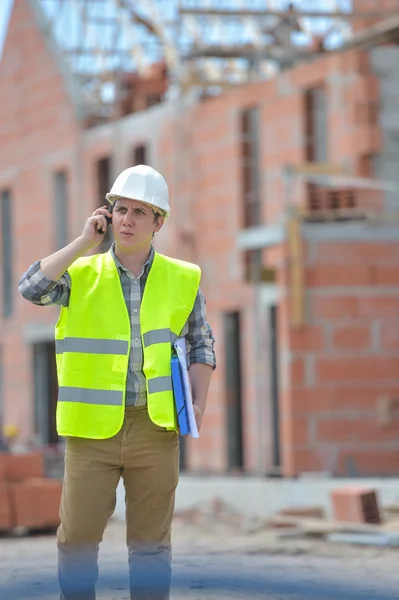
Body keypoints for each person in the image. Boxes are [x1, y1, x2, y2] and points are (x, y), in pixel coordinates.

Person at [18, 164, 216, 600]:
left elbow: (202, 344)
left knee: (150, 548)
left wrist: (197, 405)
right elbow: (30, 288)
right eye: (119, 209)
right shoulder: (80, 274)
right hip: (91, 432)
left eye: (138, 212)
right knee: (77, 544)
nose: (126, 219)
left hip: (155, 428)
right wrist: (84, 242)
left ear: (158, 222)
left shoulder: (184, 278)